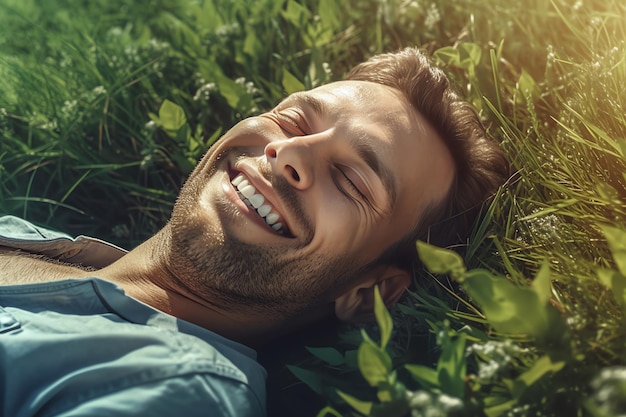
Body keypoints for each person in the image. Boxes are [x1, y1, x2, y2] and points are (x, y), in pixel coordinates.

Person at [0, 47, 508, 417]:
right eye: (292, 120)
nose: (289, 154)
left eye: (352, 180)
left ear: (369, 291)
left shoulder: (181, 391)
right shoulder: (38, 241)